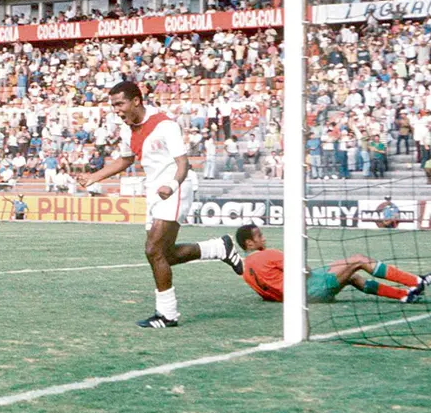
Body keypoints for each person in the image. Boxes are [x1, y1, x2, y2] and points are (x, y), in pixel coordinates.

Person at [78, 81, 244, 328]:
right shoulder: (127, 130)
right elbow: (125, 160)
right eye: (113, 105)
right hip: (155, 192)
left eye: (120, 103)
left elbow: (183, 164)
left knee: (152, 250)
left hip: (176, 188)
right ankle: (218, 248)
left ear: (136, 101)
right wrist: (94, 176)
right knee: (165, 255)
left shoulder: (164, 125)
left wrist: (173, 186)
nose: (117, 110)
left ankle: (167, 314)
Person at [236, 224, 428, 303]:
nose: (264, 238)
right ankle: (416, 281)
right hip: (311, 290)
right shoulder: (269, 254)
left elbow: (265, 294)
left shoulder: (245, 270)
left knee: (351, 275)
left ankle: (405, 296)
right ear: (249, 243)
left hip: (294, 298)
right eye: (259, 236)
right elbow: (305, 270)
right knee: (358, 260)